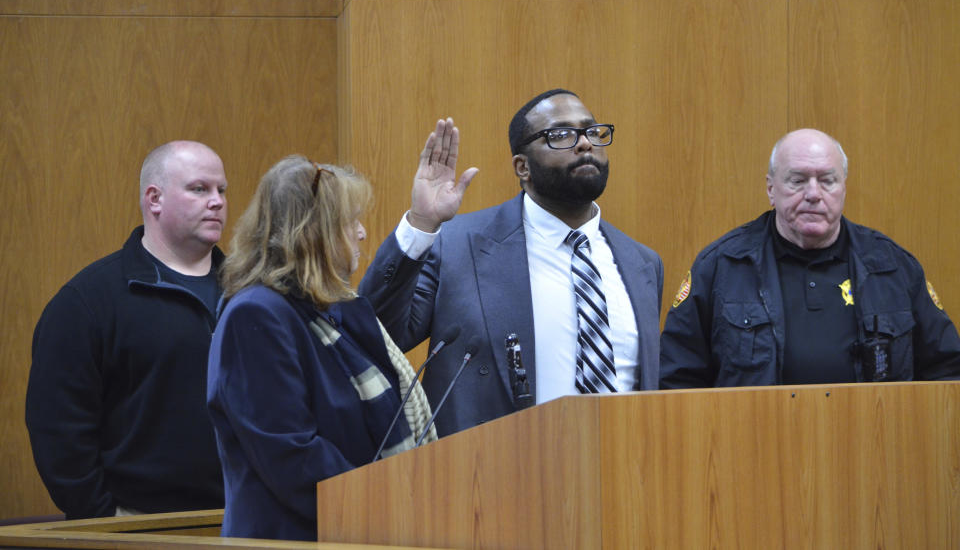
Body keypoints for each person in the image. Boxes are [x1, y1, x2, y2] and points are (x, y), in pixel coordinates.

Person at [359, 89, 664, 437]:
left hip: (619, 473)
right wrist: (420, 224)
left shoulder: (642, 264)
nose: (584, 144)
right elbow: (375, 334)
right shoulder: (459, 246)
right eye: (560, 135)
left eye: (592, 131)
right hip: (490, 477)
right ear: (523, 167)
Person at [207, 157, 435, 541]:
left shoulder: (323, 310)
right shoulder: (255, 316)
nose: (362, 233)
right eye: (351, 222)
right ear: (314, 233)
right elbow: (291, 455)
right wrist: (391, 503)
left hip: (350, 530)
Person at [660, 128, 960, 388]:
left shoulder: (893, 267)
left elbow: (946, 370)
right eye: (798, 180)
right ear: (771, 189)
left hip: (874, 444)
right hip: (752, 448)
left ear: (843, 188)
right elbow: (677, 378)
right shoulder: (721, 266)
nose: (813, 194)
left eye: (827, 180)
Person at [25, 140, 228, 519]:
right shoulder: (87, 301)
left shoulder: (250, 291)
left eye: (221, 190)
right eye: (199, 189)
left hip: (246, 520)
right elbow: (59, 430)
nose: (216, 201)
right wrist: (106, 520)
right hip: (137, 526)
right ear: (154, 199)